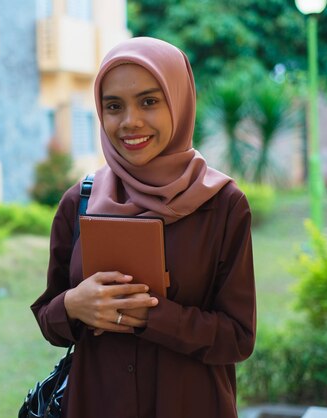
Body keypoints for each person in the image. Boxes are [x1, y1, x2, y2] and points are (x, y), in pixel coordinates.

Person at [31, 37, 256, 418]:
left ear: (179, 101)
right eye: (113, 106)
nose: (130, 121)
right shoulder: (80, 201)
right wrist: (73, 305)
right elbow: (49, 318)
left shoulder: (222, 205)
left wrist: (148, 315)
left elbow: (237, 338)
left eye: (149, 101)